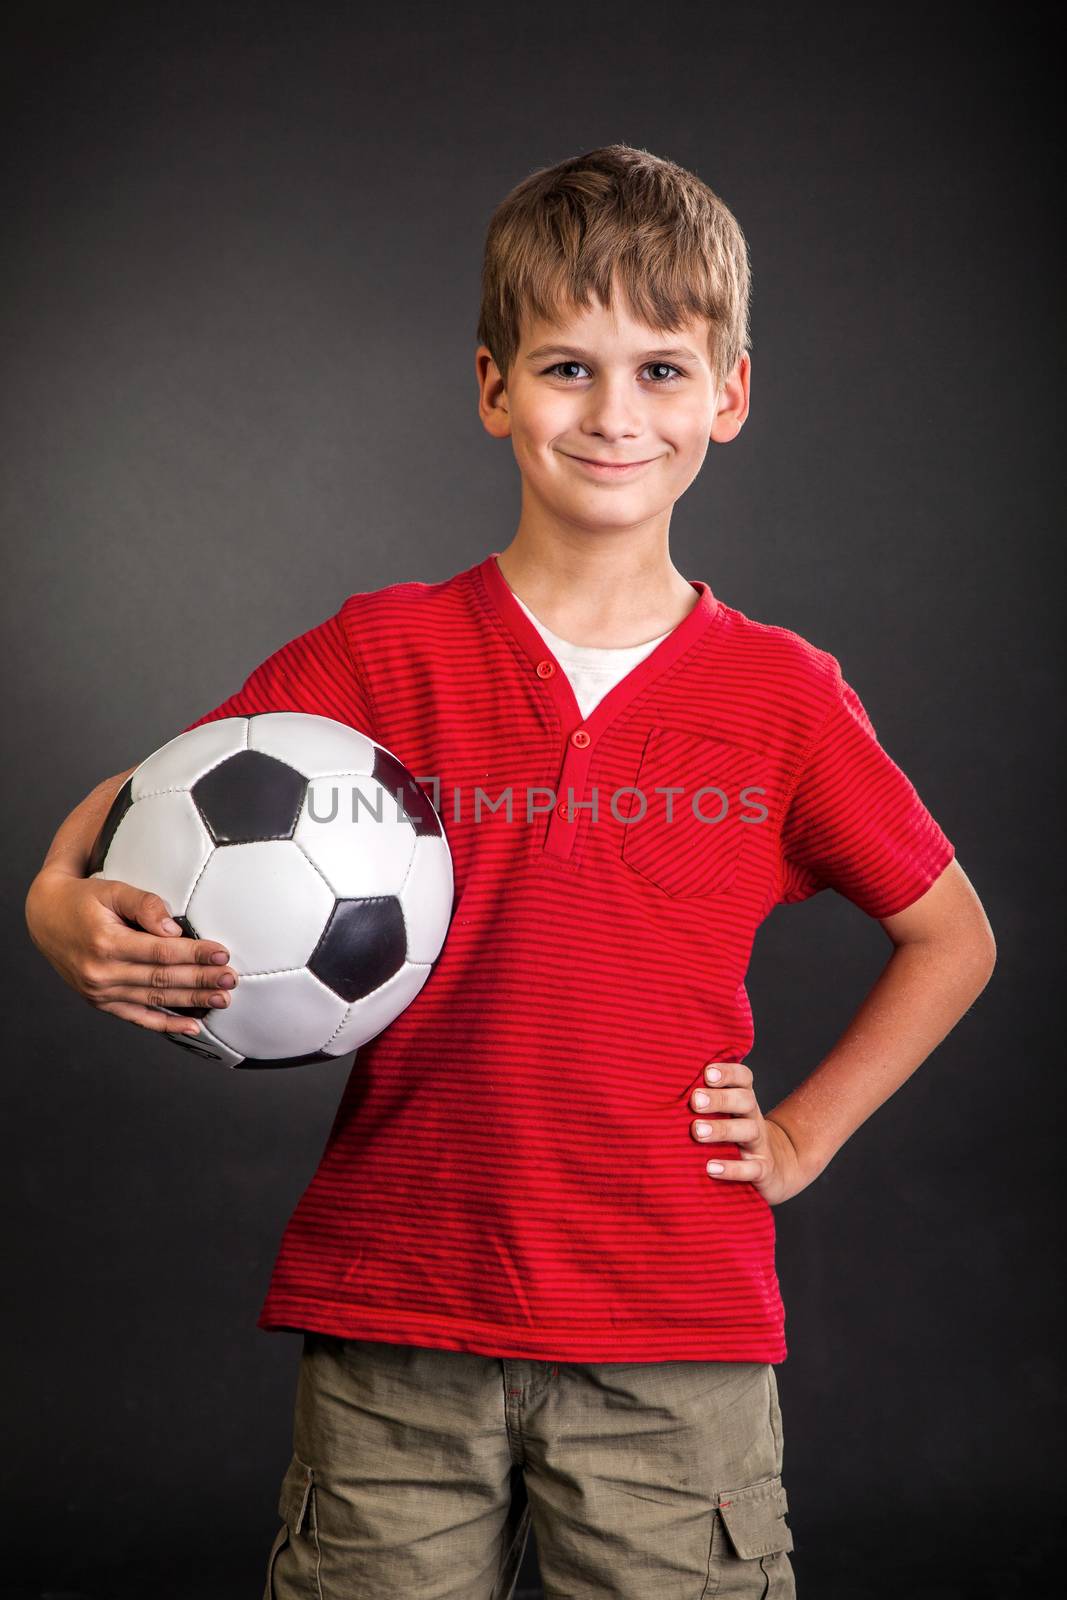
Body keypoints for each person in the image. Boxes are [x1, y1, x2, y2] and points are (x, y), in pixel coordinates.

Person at [24, 143, 996, 1599]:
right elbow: (154, 799)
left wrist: (799, 1139)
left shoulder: (784, 697)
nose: (615, 414)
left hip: (675, 1336)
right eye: (566, 368)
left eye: (663, 370)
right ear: (493, 388)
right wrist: (52, 897)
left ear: (731, 396)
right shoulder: (380, 653)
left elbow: (954, 936)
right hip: (398, 1311)